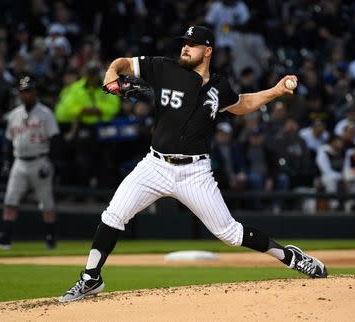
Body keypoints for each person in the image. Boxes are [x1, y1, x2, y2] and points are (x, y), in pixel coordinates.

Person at [59, 26, 327, 303]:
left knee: (231, 234)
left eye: (193, 44)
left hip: (195, 172)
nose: (185, 47)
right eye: (184, 43)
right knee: (113, 215)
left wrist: (275, 90)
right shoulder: (163, 68)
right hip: (155, 165)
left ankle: (290, 256)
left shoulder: (219, 86)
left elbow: (241, 104)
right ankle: (91, 277)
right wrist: (111, 75)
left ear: (207, 51)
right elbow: (123, 63)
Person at [0, 76, 60, 250]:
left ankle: (50, 238)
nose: (26, 95)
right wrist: (6, 162)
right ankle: (5, 238)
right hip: (20, 162)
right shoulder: (14, 115)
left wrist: (50, 162)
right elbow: (8, 141)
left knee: (46, 202)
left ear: (34, 92)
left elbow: (55, 139)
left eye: (29, 91)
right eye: (23, 92)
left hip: (40, 159)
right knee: (10, 199)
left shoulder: (45, 113)